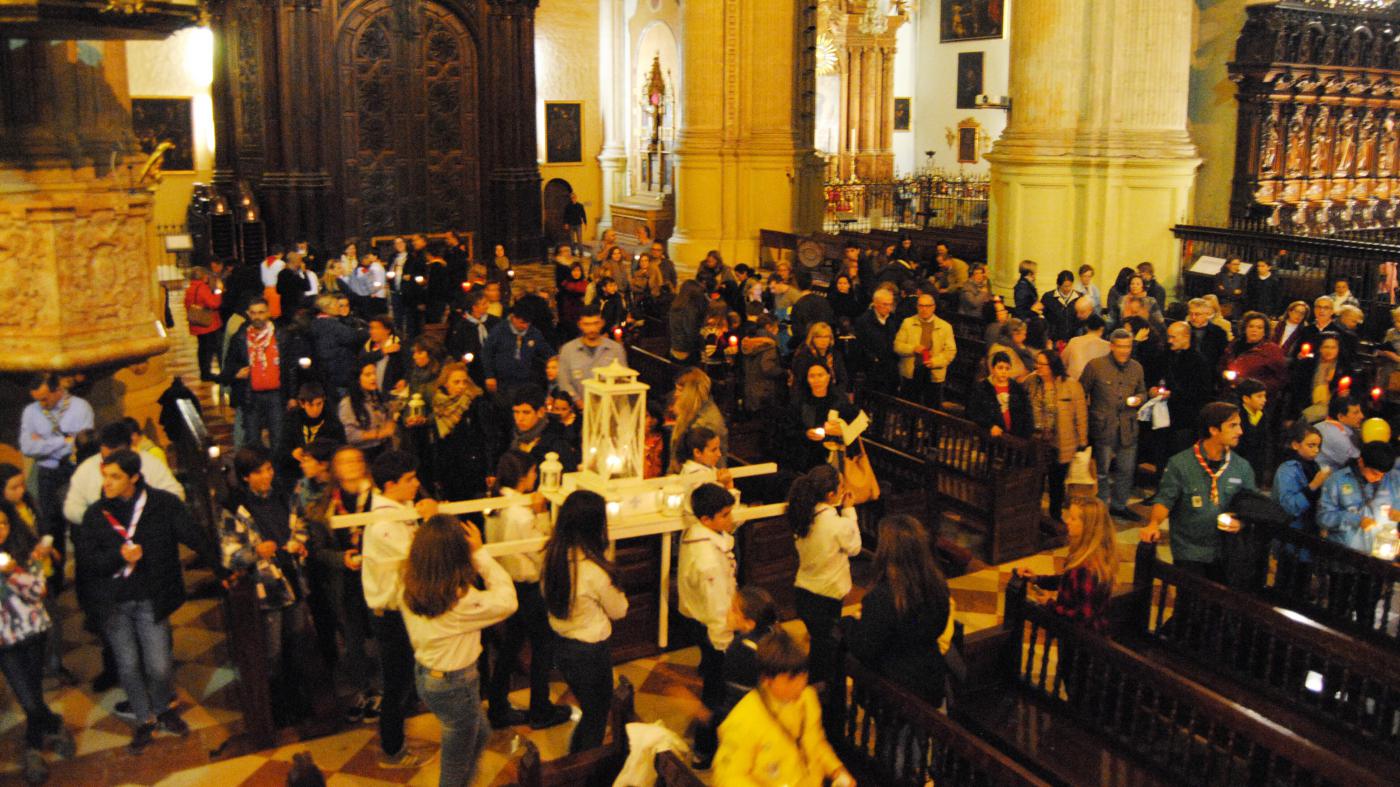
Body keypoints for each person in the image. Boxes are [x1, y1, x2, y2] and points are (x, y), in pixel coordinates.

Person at [73, 450, 227, 753]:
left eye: (115, 476)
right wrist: (119, 556)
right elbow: (88, 562)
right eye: (105, 475)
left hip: (150, 597)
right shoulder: (95, 515)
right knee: (128, 665)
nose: (107, 482)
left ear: (133, 477)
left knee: (158, 666)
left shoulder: (162, 505)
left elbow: (194, 537)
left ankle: (162, 706)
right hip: (114, 603)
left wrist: (221, 569)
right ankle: (144, 719)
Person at [400, 516, 518, 787]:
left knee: (480, 733)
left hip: (427, 676)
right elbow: (508, 601)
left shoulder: (410, 584)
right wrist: (480, 554)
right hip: (454, 684)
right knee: (454, 766)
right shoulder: (458, 600)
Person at [218, 447, 314, 724]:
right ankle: (278, 706)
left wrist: (300, 543)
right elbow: (230, 552)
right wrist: (256, 552)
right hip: (267, 587)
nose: (267, 476)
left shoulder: (285, 497)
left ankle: (301, 701)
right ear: (246, 477)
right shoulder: (236, 508)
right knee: (272, 651)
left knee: (297, 641)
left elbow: (301, 525)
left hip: (294, 579)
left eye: (269, 469)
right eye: (259, 472)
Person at [482, 452, 572, 730]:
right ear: (524, 476)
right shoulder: (521, 513)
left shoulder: (494, 504)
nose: (535, 478)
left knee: (511, 645)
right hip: (527, 586)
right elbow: (541, 552)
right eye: (534, 473)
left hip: (506, 582)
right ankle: (540, 710)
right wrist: (542, 515)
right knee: (542, 647)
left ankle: (497, 705)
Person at [363, 450, 440, 768]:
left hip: (402, 610)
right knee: (396, 684)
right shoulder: (384, 523)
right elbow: (421, 556)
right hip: (391, 615)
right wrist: (431, 520)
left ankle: (398, 741)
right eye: (409, 479)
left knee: (404, 681)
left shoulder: (399, 509)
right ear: (391, 484)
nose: (416, 484)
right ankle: (392, 751)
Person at [543, 490, 628, 753]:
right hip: (589, 651)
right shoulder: (594, 570)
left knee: (590, 708)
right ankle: (585, 770)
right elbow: (619, 610)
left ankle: (575, 757)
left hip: (562, 645)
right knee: (597, 715)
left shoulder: (552, 555)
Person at [713, 629, 853, 787]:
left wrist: (837, 770)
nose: (801, 685)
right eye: (791, 679)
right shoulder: (744, 719)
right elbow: (728, 777)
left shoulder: (808, 697)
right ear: (767, 680)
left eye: (803, 675)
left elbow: (816, 744)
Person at [302, 445, 380, 723]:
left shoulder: (378, 497)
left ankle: (389, 689)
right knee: (353, 635)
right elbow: (317, 549)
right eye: (343, 462)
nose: (351, 466)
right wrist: (341, 558)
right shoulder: (324, 505)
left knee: (384, 631)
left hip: (377, 573)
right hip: (345, 580)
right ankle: (362, 690)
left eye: (356, 460)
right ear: (334, 469)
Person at [0, 500, 74, 783]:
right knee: (28, 699)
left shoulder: (23, 550)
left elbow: (38, 591)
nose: (0, 531)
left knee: (33, 695)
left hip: (32, 632)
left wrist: (13, 572)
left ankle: (33, 748)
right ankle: (52, 724)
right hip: (3, 640)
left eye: (4, 523)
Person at [1142, 403, 1257, 581]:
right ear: (1213, 429)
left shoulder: (1242, 467)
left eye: (1239, 425)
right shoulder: (1180, 464)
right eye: (1233, 425)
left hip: (1225, 551)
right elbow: (1165, 500)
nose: (1240, 431)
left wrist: (1241, 523)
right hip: (1189, 551)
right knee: (1188, 604)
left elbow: (1252, 506)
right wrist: (1154, 524)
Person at [849, 515, 951, 705]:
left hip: (894, 690)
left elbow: (865, 649)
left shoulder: (882, 596)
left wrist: (854, 623)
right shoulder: (937, 585)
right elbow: (938, 627)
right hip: (930, 678)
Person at [678, 483, 740, 768]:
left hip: (702, 620)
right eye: (725, 515)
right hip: (713, 627)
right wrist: (725, 642)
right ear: (706, 520)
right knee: (716, 691)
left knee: (715, 687)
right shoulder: (707, 560)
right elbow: (716, 607)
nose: (731, 520)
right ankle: (705, 748)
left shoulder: (701, 535)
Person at [785, 465, 858, 686]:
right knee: (828, 651)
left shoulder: (803, 516)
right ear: (831, 494)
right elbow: (854, 547)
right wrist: (849, 511)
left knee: (819, 644)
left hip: (804, 591)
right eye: (841, 485)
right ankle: (824, 692)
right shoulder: (835, 524)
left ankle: (816, 684)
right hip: (827, 595)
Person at [21, 373, 93, 584]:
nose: (40, 404)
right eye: (37, 399)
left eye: (44, 399)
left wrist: (44, 442)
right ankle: (56, 580)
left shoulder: (80, 408)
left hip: (73, 471)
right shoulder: (31, 412)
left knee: (79, 524)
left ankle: (85, 577)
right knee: (50, 526)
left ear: (57, 391)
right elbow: (27, 447)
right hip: (47, 473)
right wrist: (62, 441)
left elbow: (80, 444)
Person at [1022, 497, 1118, 633]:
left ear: (1088, 527)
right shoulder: (1092, 555)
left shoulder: (1087, 567)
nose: (1067, 521)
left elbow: (1083, 615)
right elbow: (1068, 582)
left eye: (1073, 519)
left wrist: (1050, 604)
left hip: (1082, 640)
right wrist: (1037, 579)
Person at [1080, 329, 1147, 519]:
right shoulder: (1096, 366)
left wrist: (1139, 399)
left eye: (1128, 346)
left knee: (1126, 470)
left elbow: (1142, 391)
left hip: (1128, 427)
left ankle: (1119, 504)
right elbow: (1081, 391)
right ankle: (1101, 506)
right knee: (1102, 470)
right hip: (1103, 427)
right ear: (1112, 346)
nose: (1125, 351)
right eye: (1121, 347)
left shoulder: (1137, 368)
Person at [223, 298, 296, 448]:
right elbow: (229, 364)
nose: (257, 317)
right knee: (252, 439)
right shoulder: (240, 338)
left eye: (261, 312)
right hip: (251, 395)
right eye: (254, 313)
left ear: (268, 313)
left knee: (278, 438)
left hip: (276, 394)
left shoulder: (281, 336)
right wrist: (236, 373)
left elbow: (290, 367)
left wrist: (292, 396)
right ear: (248, 314)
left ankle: (276, 469)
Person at [1027, 349, 1089, 519]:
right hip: (1037, 440)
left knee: (1057, 481)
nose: (1037, 367)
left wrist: (1082, 440)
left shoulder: (1070, 385)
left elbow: (1080, 414)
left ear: (1053, 366)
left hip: (1061, 441)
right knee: (1036, 479)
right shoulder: (1032, 381)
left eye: (1042, 364)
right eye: (1037, 363)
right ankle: (1033, 513)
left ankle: (1055, 514)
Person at [1318, 441, 1397, 555]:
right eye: (1374, 473)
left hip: (1378, 555)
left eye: (1383, 474)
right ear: (1361, 462)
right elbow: (1323, 518)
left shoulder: (1390, 481)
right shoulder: (1337, 481)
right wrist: (1356, 520)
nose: (1379, 478)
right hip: (1344, 554)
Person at [784, 362, 860, 473]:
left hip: (833, 456)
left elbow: (857, 424)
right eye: (812, 376)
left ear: (828, 377)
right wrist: (805, 433)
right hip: (805, 455)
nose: (817, 380)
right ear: (807, 379)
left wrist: (842, 431)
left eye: (820, 375)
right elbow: (788, 429)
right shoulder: (800, 401)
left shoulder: (839, 400)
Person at [893, 291, 956, 408]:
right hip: (912, 372)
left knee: (932, 408)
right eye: (921, 306)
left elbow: (950, 351)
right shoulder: (908, 323)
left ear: (933, 307)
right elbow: (897, 346)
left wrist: (935, 361)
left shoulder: (945, 327)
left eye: (927, 306)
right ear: (917, 307)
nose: (924, 309)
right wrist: (913, 349)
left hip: (933, 373)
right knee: (909, 407)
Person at [1273, 423, 1329, 544]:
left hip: (1311, 530)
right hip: (1291, 534)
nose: (1316, 450)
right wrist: (1314, 485)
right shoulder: (1287, 469)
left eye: (1318, 446)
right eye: (1311, 445)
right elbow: (1288, 507)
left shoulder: (1315, 466)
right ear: (1295, 445)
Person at [556, 305, 628, 399]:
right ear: (580, 325)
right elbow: (564, 382)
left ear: (602, 323)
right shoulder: (568, 350)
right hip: (578, 409)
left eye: (595, 323)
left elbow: (623, 380)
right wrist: (577, 401)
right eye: (587, 324)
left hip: (609, 407)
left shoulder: (615, 349)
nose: (592, 329)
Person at [482, 304, 554, 398]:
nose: (525, 326)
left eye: (528, 323)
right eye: (522, 322)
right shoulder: (499, 331)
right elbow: (487, 353)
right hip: (502, 381)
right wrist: (489, 375)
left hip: (525, 380)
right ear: (513, 318)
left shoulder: (534, 333)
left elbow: (547, 352)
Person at [278, 382, 345, 475]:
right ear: (302, 403)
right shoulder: (292, 419)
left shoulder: (332, 421)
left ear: (323, 401)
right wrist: (291, 453)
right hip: (296, 471)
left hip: (324, 472)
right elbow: (280, 450)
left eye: (319, 404)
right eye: (311, 405)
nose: (315, 409)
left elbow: (341, 448)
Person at [670, 367, 729, 473]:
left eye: (680, 390)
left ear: (691, 392)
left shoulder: (707, 423)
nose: (675, 394)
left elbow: (700, 461)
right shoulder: (691, 412)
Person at [509, 384, 580, 471]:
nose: (520, 418)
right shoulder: (511, 436)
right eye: (516, 412)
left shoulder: (557, 442)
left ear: (541, 412)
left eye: (526, 412)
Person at [1222, 311, 1288, 397]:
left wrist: (1255, 387)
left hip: (1254, 397)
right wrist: (1224, 373)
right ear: (1245, 328)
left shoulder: (1271, 350)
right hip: (1230, 393)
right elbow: (1222, 364)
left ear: (1265, 331)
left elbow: (1281, 378)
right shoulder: (1234, 345)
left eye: (1259, 327)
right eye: (1251, 326)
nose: (1254, 330)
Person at [968, 351, 1034, 438]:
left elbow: (1027, 413)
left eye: (1007, 368)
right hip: (991, 437)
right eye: (1000, 368)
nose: (1004, 371)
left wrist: (1025, 435)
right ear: (993, 369)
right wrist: (989, 425)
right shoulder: (983, 388)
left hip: (1014, 437)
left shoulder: (1017, 388)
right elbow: (974, 411)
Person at [339, 360, 396, 460]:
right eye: (367, 375)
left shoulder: (375, 396)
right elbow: (350, 435)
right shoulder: (348, 402)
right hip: (364, 454)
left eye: (374, 373)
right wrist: (379, 433)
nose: (373, 378)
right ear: (357, 379)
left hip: (383, 449)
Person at [853, 286, 900, 395]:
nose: (888, 308)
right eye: (885, 304)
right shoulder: (863, 321)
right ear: (875, 303)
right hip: (872, 371)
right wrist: (873, 359)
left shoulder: (893, 320)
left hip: (890, 369)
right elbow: (860, 345)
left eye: (890, 304)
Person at [789, 322, 847, 401]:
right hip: (809, 399)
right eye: (819, 337)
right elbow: (800, 383)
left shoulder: (835, 355)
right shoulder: (804, 356)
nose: (823, 340)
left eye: (826, 337)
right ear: (812, 338)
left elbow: (842, 378)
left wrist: (836, 395)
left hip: (834, 396)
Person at [185, 266, 224, 381]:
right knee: (211, 349)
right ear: (203, 276)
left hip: (197, 323)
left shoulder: (190, 288)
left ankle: (204, 371)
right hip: (208, 325)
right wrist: (218, 291)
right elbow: (214, 304)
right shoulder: (202, 288)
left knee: (202, 349)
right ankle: (207, 373)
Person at [740, 314, 785, 414]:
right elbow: (768, 368)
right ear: (769, 327)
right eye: (776, 326)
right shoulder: (770, 344)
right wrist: (783, 373)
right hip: (766, 390)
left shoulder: (749, 342)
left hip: (751, 389)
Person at [1316, 394, 1364, 471]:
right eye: (1356, 413)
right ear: (1341, 416)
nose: (1362, 416)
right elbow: (1361, 463)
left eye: (1360, 411)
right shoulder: (1338, 437)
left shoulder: (1323, 425)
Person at [1234, 378, 1270, 475]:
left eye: (1264, 396)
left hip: (1256, 467)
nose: (1264, 400)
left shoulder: (1263, 416)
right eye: (1259, 396)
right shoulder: (1235, 416)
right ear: (1246, 398)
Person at [1061, 313, 1109, 380]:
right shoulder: (1108, 346)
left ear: (1086, 327)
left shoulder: (1074, 341)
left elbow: (1062, 362)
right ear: (1102, 328)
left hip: (1075, 381)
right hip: (1097, 384)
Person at [1186, 298, 1230, 370]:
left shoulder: (1218, 333)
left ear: (1207, 315)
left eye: (1197, 314)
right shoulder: (1182, 329)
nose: (1193, 317)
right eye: (1191, 314)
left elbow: (1223, 357)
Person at [1041, 270, 1081, 344]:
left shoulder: (1079, 297)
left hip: (1074, 338)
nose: (1068, 289)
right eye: (1065, 286)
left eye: (1070, 285)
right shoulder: (1048, 297)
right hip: (1054, 339)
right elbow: (1044, 318)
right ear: (1059, 285)